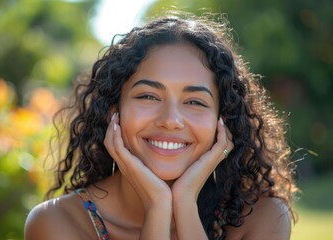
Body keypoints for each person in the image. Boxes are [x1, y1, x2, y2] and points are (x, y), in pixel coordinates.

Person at [24, 13, 297, 240]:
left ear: (223, 119)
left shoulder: (262, 218)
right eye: (148, 96)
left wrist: (184, 203)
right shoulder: (59, 222)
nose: (170, 120)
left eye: (194, 101)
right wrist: (157, 207)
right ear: (113, 111)